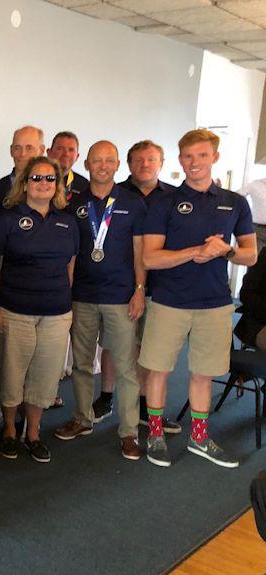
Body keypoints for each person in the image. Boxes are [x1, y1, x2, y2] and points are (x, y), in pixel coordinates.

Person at [140, 129, 257, 468]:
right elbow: (150, 258)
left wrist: (227, 251)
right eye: (188, 156)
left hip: (215, 304)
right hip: (169, 301)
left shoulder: (234, 202)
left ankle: (199, 438)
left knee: (203, 374)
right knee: (158, 371)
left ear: (215, 158)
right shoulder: (164, 202)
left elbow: (250, 255)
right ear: (180, 160)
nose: (194, 163)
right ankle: (157, 434)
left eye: (202, 155)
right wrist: (195, 252)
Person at [53, 141, 148, 460]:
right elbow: (70, 254)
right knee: (81, 363)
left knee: (125, 367)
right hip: (82, 296)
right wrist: (67, 292)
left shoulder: (133, 203)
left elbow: (139, 252)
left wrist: (138, 289)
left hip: (120, 297)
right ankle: (82, 418)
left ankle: (129, 432)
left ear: (118, 164)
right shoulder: (74, 204)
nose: (103, 165)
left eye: (109, 160)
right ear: (87, 164)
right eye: (97, 160)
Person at [0, 156, 78, 463]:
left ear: (58, 185)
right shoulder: (6, 220)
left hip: (56, 312)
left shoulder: (67, 222)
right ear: (24, 183)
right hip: (15, 309)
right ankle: (10, 429)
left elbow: (70, 266)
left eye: (50, 179)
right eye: (36, 178)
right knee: (12, 374)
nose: (43, 184)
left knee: (45, 376)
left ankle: (34, 432)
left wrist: (69, 308)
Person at [93, 140, 181, 435]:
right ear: (128, 165)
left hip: (159, 284)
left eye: (151, 159)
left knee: (146, 346)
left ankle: (144, 407)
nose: (145, 165)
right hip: (118, 284)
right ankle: (105, 398)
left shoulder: (173, 197)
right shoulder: (114, 194)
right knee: (113, 345)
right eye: (138, 160)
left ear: (161, 162)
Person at [0, 125, 45, 226]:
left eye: (29, 148)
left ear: (41, 150)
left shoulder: (51, 189)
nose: (23, 154)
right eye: (17, 148)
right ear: (11, 151)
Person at [47, 131, 89, 200]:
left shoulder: (84, 185)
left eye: (71, 150)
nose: (66, 154)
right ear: (49, 152)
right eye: (60, 148)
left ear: (77, 156)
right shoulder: (37, 179)